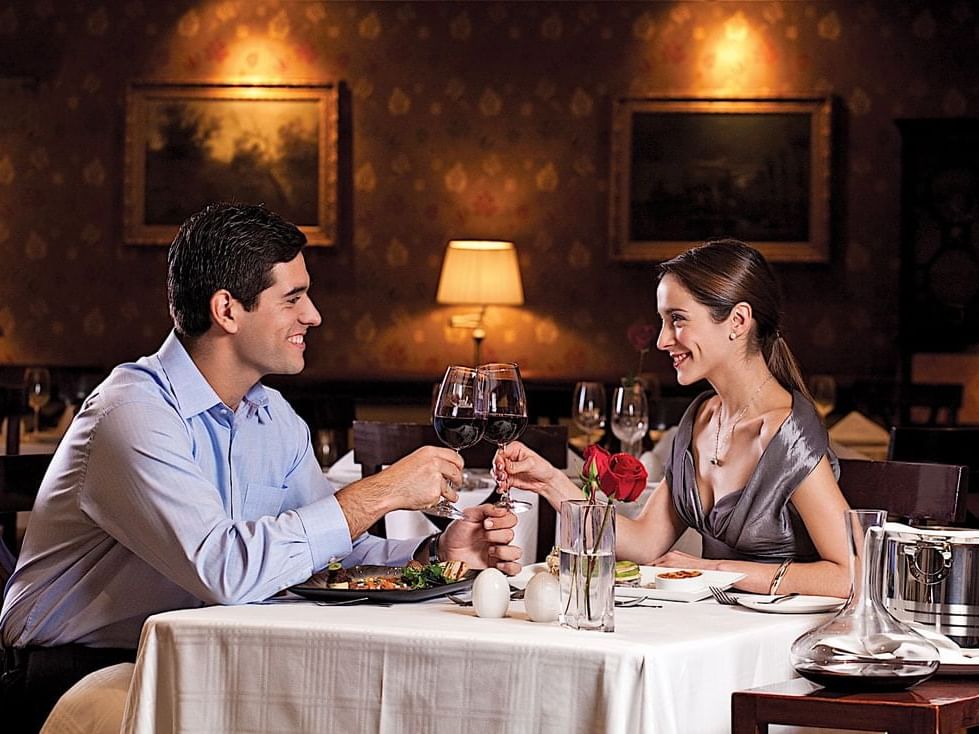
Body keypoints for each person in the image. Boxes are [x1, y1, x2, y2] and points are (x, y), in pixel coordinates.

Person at [0, 202, 520, 732]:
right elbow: (225, 570)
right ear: (227, 310)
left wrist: (435, 553)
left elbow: (330, 556)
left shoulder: (272, 417)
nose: (313, 315)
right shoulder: (131, 416)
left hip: (206, 661)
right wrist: (381, 493)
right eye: (293, 298)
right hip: (75, 677)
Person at [497, 239, 850, 599]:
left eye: (677, 320)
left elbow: (848, 576)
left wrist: (713, 570)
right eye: (663, 321)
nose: (664, 340)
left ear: (738, 321)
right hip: (713, 626)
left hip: (780, 640)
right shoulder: (701, 418)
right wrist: (550, 483)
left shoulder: (787, 434)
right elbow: (645, 542)